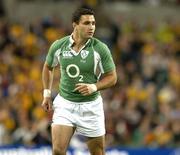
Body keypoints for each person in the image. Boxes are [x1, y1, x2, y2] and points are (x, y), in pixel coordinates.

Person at [41, 7, 117, 155]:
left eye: (93, 23)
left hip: (90, 107)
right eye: (87, 23)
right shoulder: (59, 45)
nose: (91, 27)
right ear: (75, 25)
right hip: (66, 104)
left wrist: (94, 87)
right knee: (57, 150)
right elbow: (48, 67)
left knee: (98, 153)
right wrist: (47, 94)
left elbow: (112, 77)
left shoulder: (100, 49)